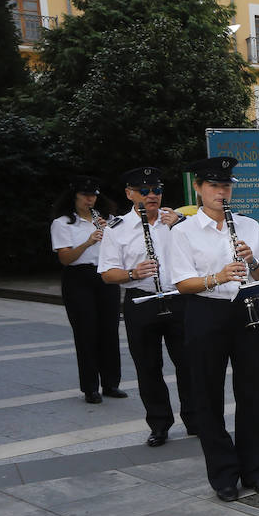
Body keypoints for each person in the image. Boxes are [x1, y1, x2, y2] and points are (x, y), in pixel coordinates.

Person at [166, 156, 259, 502]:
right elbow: (183, 283)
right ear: (198, 188)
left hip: (247, 311)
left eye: (226, 186)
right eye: (213, 186)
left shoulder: (249, 226)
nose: (221, 192)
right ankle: (224, 475)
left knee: (252, 393)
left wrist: (252, 260)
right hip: (205, 312)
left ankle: (256, 470)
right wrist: (218, 276)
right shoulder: (182, 231)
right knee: (208, 395)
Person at [97, 167, 195, 447]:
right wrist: (133, 274)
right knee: (148, 367)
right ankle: (160, 424)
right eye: (144, 190)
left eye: (157, 190)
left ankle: (195, 418)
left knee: (189, 363)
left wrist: (180, 222)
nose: (152, 195)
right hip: (141, 301)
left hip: (178, 299)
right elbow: (107, 274)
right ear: (129, 194)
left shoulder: (176, 222)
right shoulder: (116, 230)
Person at [50, 176, 126, 404]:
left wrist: (110, 234)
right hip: (78, 278)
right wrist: (88, 242)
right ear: (74, 197)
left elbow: (123, 249)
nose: (90, 199)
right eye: (85, 195)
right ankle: (90, 387)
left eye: (93, 195)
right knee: (86, 333)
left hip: (106, 276)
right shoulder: (63, 223)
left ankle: (111, 384)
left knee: (109, 331)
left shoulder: (109, 220)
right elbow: (65, 258)